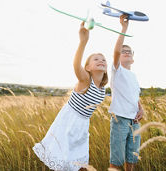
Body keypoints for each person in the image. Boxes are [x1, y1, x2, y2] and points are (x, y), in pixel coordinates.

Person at [32, 22, 108, 171]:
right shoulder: (86, 80)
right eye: (96, 59)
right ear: (88, 68)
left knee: (79, 164)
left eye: (103, 59)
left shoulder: (102, 90)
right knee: (63, 160)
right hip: (69, 122)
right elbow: (76, 65)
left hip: (82, 126)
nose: (101, 60)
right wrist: (83, 42)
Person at [109, 15, 144, 171]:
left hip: (134, 121)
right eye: (124, 51)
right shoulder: (117, 70)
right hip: (120, 120)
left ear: (133, 58)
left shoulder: (134, 76)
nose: (126, 52)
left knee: (132, 158)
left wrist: (140, 108)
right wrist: (124, 28)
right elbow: (116, 51)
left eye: (129, 51)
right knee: (117, 160)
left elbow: (134, 95)